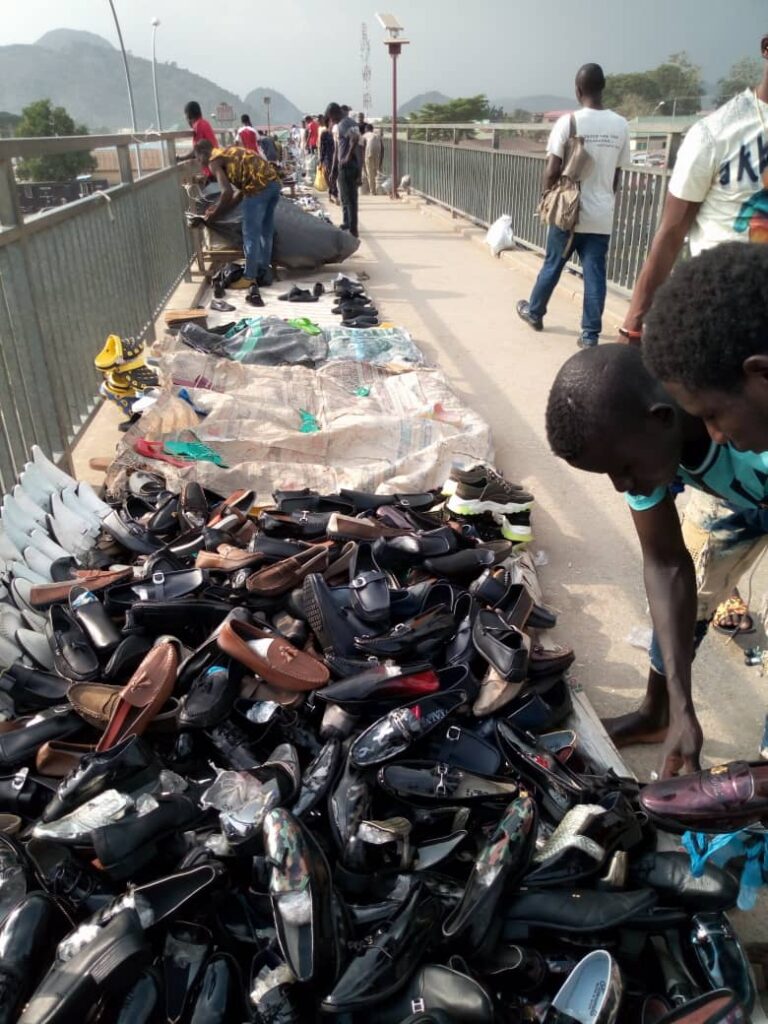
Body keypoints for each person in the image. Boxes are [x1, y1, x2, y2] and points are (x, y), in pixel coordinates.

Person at [544, 324, 768, 779]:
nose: (623, 487)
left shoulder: (746, 420)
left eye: (623, 469)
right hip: (733, 496)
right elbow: (666, 564)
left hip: (751, 474)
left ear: (663, 418)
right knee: (694, 587)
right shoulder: (640, 442)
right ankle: (659, 714)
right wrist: (686, 706)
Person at [618, 38, 768, 637]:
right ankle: (667, 694)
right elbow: (670, 233)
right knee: (705, 549)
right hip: (718, 355)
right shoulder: (718, 134)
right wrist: (635, 324)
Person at [516, 64, 630, 348]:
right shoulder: (621, 124)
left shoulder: (568, 122)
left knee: (553, 263)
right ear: (603, 88)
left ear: (578, 90)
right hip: (601, 213)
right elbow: (617, 173)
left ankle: (535, 312)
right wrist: (604, 198)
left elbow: (552, 169)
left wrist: (547, 198)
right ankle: (589, 334)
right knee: (594, 273)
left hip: (568, 213)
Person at [194, 139, 281, 288]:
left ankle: (249, 276)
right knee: (265, 231)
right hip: (273, 184)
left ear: (203, 154)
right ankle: (263, 271)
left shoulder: (213, 161)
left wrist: (212, 217)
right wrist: (218, 209)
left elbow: (226, 192)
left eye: (198, 158)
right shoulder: (228, 153)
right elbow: (238, 194)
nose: (199, 162)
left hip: (257, 188)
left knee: (250, 234)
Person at [326, 102, 361, 236]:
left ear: (335, 114)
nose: (331, 121)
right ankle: (349, 224)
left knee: (347, 199)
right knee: (351, 198)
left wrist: (346, 157)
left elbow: (355, 138)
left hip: (347, 165)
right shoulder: (351, 122)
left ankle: (351, 229)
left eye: (331, 117)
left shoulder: (343, 124)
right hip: (353, 164)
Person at [177, 101, 219, 172]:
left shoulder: (198, 125)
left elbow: (197, 150)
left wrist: (181, 158)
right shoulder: (204, 122)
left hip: (211, 166)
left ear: (188, 116)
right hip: (215, 161)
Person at [362, 125, 383, 196]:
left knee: (369, 171)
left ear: (366, 129)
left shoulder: (364, 135)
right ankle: (379, 189)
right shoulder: (377, 135)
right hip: (378, 151)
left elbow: (362, 147)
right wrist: (381, 160)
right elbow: (382, 148)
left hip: (369, 151)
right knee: (376, 170)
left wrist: (362, 161)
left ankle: (372, 191)